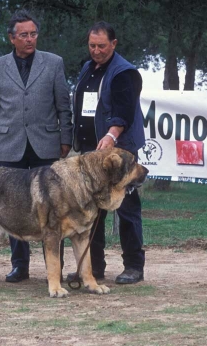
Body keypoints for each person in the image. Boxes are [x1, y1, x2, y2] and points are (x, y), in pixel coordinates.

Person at [0, 10, 72, 283]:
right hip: (10, 145)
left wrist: (66, 139)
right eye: (24, 35)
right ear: (12, 38)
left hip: (47, 145)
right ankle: (20, 265)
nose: (30, 39)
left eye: (33, 34)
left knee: (54, 209)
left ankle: (56, 268)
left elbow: (64, 105)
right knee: (14, 207)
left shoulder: (54, 63)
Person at [68, 21, 146, 284]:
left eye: (102, 46)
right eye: (92, 45)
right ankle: (94, 267)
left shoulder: (125, 73)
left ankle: (134, 266)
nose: (96, 51)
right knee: (91, 210)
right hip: (91, 155)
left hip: (119, 152)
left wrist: (112, 135)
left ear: (114, 44)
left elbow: (124, 111)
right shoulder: (87, 69)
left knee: (126, 209)